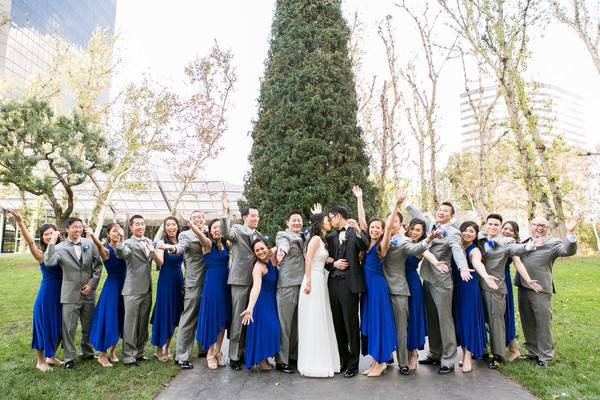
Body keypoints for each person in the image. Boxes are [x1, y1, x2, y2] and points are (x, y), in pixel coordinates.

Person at [406, 202, 469, 374]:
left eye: (446, 211)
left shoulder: (454, 233)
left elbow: (457, 251)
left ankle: (448, 359)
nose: (441, 212)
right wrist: (409, 206)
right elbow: (419, 218)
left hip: (442, 280)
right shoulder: (431, 226)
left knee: (444, 319)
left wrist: (463, 267)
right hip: (427, 277)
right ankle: (434, 353)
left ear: (451, 215)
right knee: (432, 319)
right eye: (440, 210)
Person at [380, 199, 439, 375]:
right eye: (390, 221)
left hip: (401, 287)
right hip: (380, 289)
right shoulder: (379, 236)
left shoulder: (404, 241)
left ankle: (404, 361)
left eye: (395, 221)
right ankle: (383, 358)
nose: (392, 224)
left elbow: (418, 250)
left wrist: (428, 240)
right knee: (383, 325)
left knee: (402, 326)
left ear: (400, 224)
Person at [479, 214, 543, 368]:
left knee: (496, 322)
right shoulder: (480, 238)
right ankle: (481, 350)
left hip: (495, 287)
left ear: (500, 227)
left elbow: (517, 250)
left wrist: (529, 246)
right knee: (481, 320)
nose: (493, 227)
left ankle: (498, 355)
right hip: (476, 286)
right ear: (486, 225)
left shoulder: (506, 241)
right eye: (490, 224)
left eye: (496, 225)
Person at [515, 215, 580, 367]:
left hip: (541, 289)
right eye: (536, 225)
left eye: (543, 226)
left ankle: (545, 357)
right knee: (527, 321)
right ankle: (533, 352)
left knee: (543, 323)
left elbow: (568, 251)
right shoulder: (525, 241)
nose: (539, 228)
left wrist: (570, 233)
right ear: (531, 226)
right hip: (523, 286)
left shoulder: (553, 243)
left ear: (548, 229)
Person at [44, 216, 103, 369]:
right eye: (75, 227)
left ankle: (88, 352)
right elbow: (49, 262)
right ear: (67, 229)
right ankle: (69, 358)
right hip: (70, 293)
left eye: (80, 227)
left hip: (88, 292)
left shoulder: (89, 244)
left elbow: (98, 266)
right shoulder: (59, 247)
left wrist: (92, 285)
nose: (78, 229)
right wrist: (52, 242)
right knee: (69, 327)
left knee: (88, 324)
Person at [10, 210, 63, 372]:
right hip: (47, 294)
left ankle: (51, 357)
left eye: (51, 233)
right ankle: (40, 361)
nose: (48, 236)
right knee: (43, 326)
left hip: (63, 293)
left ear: (57, 235)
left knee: (60, 326)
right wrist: (20, 223)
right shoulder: (41, 254)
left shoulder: (63, 251)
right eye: (45, 234)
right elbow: (31, 243)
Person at [359, 195, 405, 377]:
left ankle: (382, 361)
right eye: (372, 227)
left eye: (378, 228)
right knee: (370, 323)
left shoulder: (382, 245)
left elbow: (388, 227)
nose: (375, 230)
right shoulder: (366, 241)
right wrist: (360, 199)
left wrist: (395, 205)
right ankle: (375, 360)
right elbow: (362, 219)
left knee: (379, 323)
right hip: (367, 289)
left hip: (377, 288)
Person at [326, 203, 369, 378]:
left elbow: (364, 245)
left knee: (351, 324)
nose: (330, 221)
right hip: (333, 283)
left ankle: (353, 364)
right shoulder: (330, 237)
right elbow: (324, 258)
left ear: (338, 216)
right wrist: (333, 263)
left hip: (350, 284)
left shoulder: (353, 231)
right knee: (338, 324)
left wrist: (358, 230)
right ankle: (343, 360)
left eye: (331, 217)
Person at [450, 221, 499, 373]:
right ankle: (464, 352)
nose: (467, 233)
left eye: (471, 231)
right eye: (465, 230)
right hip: (456, 288)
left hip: (469, 289)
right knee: (460, 321)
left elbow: (477, 263)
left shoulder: (474, 250)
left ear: (476, 235)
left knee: (468, 321)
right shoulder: (455, 246)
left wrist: (485, 276)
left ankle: (468, 356)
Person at [221, 194, 262, 370]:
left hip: (255, 281)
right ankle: (234, 356)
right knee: (238, 319)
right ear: (245, 217)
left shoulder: (258, 234)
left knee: (249, 318)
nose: (256, 218)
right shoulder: (238, 229)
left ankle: (245, 352)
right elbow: (225, 233)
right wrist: (225, 214)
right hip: (239, 281)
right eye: (253, 216)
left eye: (257, 216)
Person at [297, 212, 340, 378]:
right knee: (314, 319)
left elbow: (319, 257)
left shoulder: (322, 240)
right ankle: (314, 363)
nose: (329, 222)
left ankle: (324, 359)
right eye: (326, 220)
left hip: (321, 280)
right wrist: (308, 281)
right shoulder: (315, 239)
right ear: (320, 223)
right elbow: (308, 258)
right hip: (313, 279)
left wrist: (329, 260)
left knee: (321, 317)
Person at [167, 209, 207, 369]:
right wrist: (171, 248)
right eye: (194, 217)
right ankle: (181, 355)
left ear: (204, 219)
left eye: (200, 217)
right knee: (189, 317)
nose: (198, 219)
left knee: (205, 315)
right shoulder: (186, 235)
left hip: (211, 282)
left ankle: (204, 349)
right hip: (194, 281)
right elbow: (180, 248)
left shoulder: (209, 232)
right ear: (189, 221)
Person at [192, 217, 231, 370]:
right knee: (213, 317)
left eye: (219, 227)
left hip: (225, 283)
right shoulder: (208, 244)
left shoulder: (226, 244)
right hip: (213, 284)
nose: (217, 229)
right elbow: (200, 235)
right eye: (214, 227)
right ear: (210, 230)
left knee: (223, 319)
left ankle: (218, 351)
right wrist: (191, 223)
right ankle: (210, 352)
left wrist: (225, 212)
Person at [501, 220, 543, 361]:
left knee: (505, 315)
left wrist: (528, 280)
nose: (506, 231)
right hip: (486, 281)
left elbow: (518, 263)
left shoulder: (511, 245)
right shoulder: (494, 240)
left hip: (502, 281)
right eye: (505, 228)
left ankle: (514, 350)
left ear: (515, 234)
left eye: (510, 230)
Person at [115, 215, 154, 367]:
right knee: (130, 324)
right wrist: (121, 239)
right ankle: (128, 357)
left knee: (143, 323)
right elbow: (121, 253)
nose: (141, 226)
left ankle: (139, 352)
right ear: (131, 227)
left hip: (147, 288)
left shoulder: (149, 242)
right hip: (132, 289)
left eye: (143, 224)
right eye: (137, 224)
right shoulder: (127, 243)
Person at [88, 223, 127, 368]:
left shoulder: (124, 247)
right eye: (113, 231)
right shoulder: (107, 250)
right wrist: (92, 235)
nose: (117, 233)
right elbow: (99, 247)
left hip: (126, 286)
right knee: (109, 318)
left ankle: (112, 351)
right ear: (108, 234)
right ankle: (102, 354)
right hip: (112, 287)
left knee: (120, 317)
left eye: (119, 231)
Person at [240, 239, 280, 371]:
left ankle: (266, 358)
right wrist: (250, 307)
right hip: (261, 301)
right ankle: (261, 360)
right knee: (266, 329)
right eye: (257, 250)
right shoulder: (258, 267)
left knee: (273, 329)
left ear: (267, 247)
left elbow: (279, 245)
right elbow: (256, 287)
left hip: (272, 300)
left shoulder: (272, 255)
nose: (260, 252)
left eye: (262, 248)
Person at [274, 210, 306, 373]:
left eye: (299, 220)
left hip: (303, 283)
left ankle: (293, 356)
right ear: (287, 222)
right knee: (284, 323)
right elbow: (283, 246)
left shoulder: (304, 236)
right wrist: (281, 252)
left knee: (296, 324)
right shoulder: (283, 235)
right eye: (293, 220)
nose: (296, 223)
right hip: (287, 283)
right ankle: (281, 360)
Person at [151, 216, 184, 362]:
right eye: (168, 225)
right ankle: (159, 350)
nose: (171, 227)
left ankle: (167, 347)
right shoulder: (161, 242)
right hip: (166, 280)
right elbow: (161, 262)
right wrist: (153, 252)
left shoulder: (181, 242)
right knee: (164, 312)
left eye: (173, 224)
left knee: (175, 313)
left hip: (178, 278)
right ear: (165, 228)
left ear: (178, 226)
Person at [405, 219, 430, 372]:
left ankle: (413, 353)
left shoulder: (422, 247)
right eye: (412, 228)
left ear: (422, 234)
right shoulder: (402, 240)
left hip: (412, 283)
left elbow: (431, 257)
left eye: (418, 230)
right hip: (396, 282)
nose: (414, 232)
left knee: (413, 318)